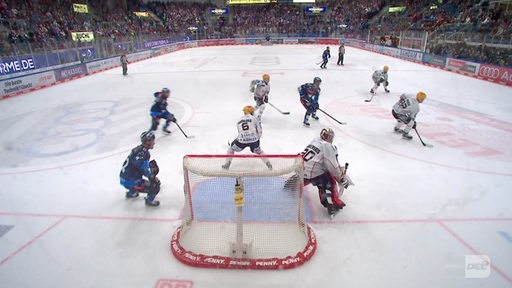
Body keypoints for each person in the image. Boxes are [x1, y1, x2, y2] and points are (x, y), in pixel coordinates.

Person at [287, 128, 353, 217]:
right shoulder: (328, 146)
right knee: (328, 180)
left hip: (300, 168)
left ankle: (292, 183)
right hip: (313, 174)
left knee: (308, 172)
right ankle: (331, 204)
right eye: (330, 137)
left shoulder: (315, 140)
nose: (331, 139)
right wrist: (340, 178)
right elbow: (332, 166)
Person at [222, 105, 272, 170]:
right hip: (254, 141)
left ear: (245, 112)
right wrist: (256, 139)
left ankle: (227, 164)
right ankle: (268, 164)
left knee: (231, 148)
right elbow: (259, 131)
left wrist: (240, 139)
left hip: (242, 141)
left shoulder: (239, 120)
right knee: (259, 151)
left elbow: (240, 132)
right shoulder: (254, 118)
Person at [119, 131, 161, 206]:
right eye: (152, 141)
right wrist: (151, 176)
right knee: (156, 185)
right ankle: (149, 201)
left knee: (139, 177)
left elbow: (138, 166)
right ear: (147, 142)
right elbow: (141, 167)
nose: (154, 143)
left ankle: (131, 193)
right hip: (131, 181)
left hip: (123, 178)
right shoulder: (144, 153)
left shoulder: (138, 149)